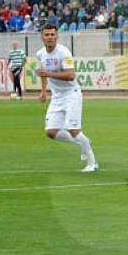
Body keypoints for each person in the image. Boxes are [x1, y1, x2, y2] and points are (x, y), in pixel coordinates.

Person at [36, 24, 98, 172]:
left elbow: (71, 75)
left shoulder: (64, 52)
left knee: (73, 130)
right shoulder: (40, 54)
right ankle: (83, 143)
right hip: (57, 97)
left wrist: (48, 75)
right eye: (47, 35)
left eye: (52, 35)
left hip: (72, 94)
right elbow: (43, 73)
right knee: (51, 132)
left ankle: (92, 163)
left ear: (57, 36)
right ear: (42, 37)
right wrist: (44, 91)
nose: (50, 37)